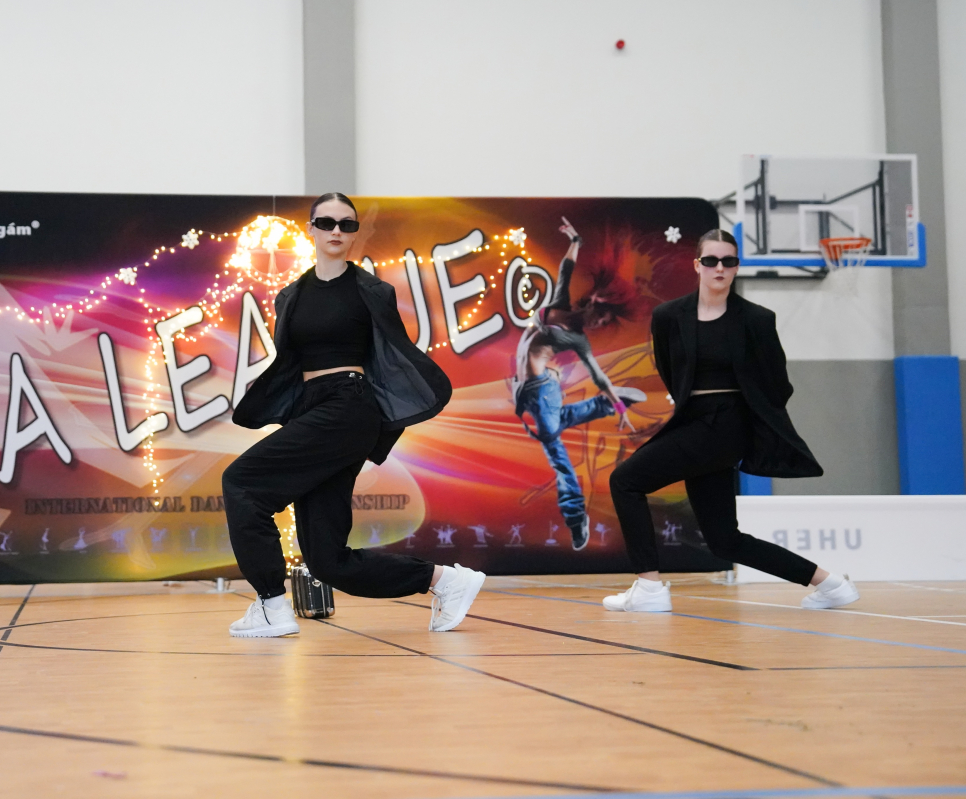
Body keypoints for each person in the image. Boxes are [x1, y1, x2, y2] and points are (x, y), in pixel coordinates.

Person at [222, 193, 486, 638]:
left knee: (242, 482)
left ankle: (271, 605)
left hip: (348, 405)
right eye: (326, 222)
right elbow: (289, 364)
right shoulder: (291, 296)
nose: (336, 231)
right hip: (314, 408)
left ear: (355, 232)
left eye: (346, 224)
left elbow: (393, 363)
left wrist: (375, 429)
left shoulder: (372, 291)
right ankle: (446, 581)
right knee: (327, 562)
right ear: (311, 228)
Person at [603, 229, 859, 612]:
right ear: (697, 265)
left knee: (625, 480)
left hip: (727, 424)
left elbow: (778, 384)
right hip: (694, 422)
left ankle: (649, 588)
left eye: (728, 261)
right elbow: (671, 371)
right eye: (711, 261)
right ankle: (831, 584)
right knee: (725, 541)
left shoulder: (757, 320)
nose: (719, 268)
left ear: (737, 267)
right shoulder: (668, 316)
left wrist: (744, 421)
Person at [510, 217, 646, 550]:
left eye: (604, 323)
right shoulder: (559, 305)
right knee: (555, 425)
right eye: (602, 316)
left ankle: (574, 517)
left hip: (542, 389)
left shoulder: (579, 340)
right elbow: (565, 271)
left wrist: (619, 408)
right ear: (595, 301)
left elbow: (598, 375)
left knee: (554, 447)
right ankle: (601, 406)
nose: (599, 324)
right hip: (527, 388)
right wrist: (576, 241)